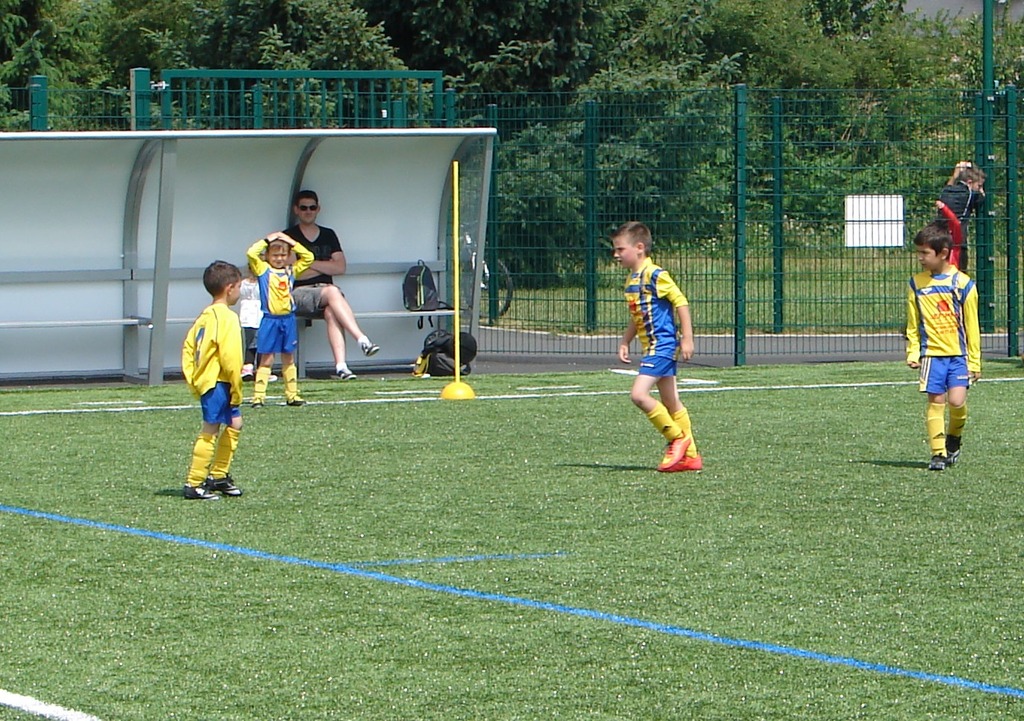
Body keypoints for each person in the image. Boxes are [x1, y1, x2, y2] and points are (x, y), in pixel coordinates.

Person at [612, 221, 702, 472]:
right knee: (671, 402)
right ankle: (691, 457)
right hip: (652, 347)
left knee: (639, 395)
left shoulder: (655, 274)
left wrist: (687, 337)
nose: (616, 255)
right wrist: (625, 340)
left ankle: (677, 438)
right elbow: (637, 315)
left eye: (620, 249)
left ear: (639, 248)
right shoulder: (632, 279)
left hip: (662, 346)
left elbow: (680, 302)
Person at [906, 220, 981, 472]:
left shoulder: (963, 284)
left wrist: (975, 362)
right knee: (936, 401)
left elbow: (972, 327)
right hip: (932, 355)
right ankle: (938, 453)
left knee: (957, 402)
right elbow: (913, 323)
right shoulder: (916, 284)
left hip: (958, 356)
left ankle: (954, 439)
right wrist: (913, 351)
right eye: (918, 252)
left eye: (925, 253)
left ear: (943, 253)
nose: (920, 258)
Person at [283, 189, 379, 380]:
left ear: (318, 209)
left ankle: (341, 367)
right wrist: (326, 266)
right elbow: (294, 272)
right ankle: (361, 338)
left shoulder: (328, 234)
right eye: (304, 208)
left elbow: (340, 267)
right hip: (299, 293)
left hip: (325, 295)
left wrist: (309, 263)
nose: (308, 211)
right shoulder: (289, 236)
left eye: (312, 207)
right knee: (333, 292)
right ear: (296, 210)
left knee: (332, 311)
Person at [180, 260, 246, 500]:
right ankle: (194, 483)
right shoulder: (226, 317)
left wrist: (193, 378)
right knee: (211, 428)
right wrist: (236, 385)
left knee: (235, 423)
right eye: (239, 287)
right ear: (230, 288)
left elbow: (188, 348)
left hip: (210, 381)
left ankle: (218, 475)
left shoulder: (205, 315)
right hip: (219, 381)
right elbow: (230, 356)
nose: (239, 292)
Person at [247, 232, 314, 408]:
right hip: (270, 320)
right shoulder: (263, 270)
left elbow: (309, 257)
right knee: (267, 359)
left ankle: (292, 395)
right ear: (267, 256)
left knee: (288, 357)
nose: (279, 258)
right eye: (275, 255)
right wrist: (268, 240)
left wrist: (291, 241)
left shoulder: (291, 270)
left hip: (288, 320)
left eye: (283, 255)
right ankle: (258, 397)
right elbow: (251, 253)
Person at [936, 160, 985, 272]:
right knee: (959, 273)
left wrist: (955, 176)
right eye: (979, 185)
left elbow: (948, 186)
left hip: (940, 237)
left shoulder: (947, 190)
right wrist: (981, 191)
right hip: (958, 240)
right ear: (969, 182)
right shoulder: (970, 194)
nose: (979, 188)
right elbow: (982, 198)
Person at [238, 268, 277, 384]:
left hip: (259, 315)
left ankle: (260, 369)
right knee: (253, 343)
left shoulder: (265, 281)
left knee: (261, 342)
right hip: (251, 316)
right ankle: (250, 367)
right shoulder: (244, 284)